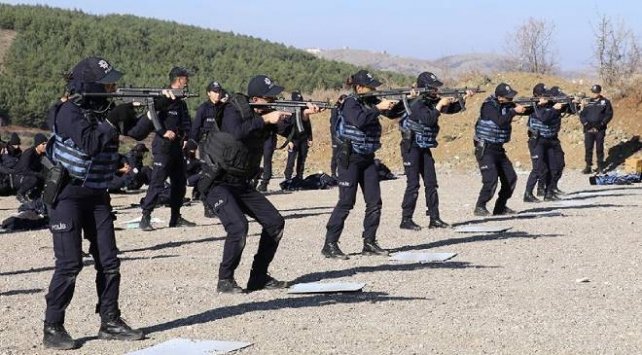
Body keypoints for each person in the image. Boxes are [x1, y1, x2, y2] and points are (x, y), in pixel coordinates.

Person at [43, 56, 153, 350]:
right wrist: (112, 118)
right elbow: (90, 144)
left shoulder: (103, 109)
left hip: (97, 194)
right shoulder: (67, 111)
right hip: (68, 194)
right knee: (69, 264)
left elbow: (137, 132)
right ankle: (53, 326)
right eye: (108, 82)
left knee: (109, 261)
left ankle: (110, 321)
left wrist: (158, 109)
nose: (114, 86)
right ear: (91, 85)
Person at [199, 74, 320, 293]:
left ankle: (258, 276)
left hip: (242, 183)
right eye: (269, 97)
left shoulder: (266, 113)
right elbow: (235, 132)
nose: (274, 101)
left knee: (275, 223)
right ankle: (225, 280)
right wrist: (266, 119)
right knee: (238, 227)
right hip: (218, 181)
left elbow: (289, 131)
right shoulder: (233, 108)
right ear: (256, 97)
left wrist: (304, 115)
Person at [322, 69, 398, 259]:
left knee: (374, 202)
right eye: (371, 87)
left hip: (368, 157)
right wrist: (379, 108)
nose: (374, 90)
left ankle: (369, 242)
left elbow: (396, 113)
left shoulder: (370, 102)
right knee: (346, 202)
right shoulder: (350, 102)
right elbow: (359, 121)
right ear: (359, 87)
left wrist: (410, 100)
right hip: (350, 158)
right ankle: (330, 244)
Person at [399, 72, 471, 230]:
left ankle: (434, 218)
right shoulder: (416, 103)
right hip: (411, 146)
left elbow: (450, 110)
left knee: (431, 183)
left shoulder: (430, 101)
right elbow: (428, 119)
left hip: (423, 146)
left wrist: (463, 98)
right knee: (413, 184)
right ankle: (406, 219)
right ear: (425, 88)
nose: (437, 91)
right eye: (433, 88)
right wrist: (440, 104)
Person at [139, 66, 195, 230]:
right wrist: (163, 132)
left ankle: (175, 217)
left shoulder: (181, 102)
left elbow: (186, 122)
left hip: (177, 146)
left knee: (179, 182)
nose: (188, 81)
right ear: (179, 80)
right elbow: (152, 115)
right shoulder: (163, 98)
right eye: (186, 78)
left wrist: (186, 138)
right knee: (157, 181)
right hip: (163, 146)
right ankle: (146, 216)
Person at [473, 83, 528, 216]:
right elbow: (499, 121)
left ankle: (500, 207)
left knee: (510, 178)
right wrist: (514, 111)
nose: (511, 100)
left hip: (498, 149)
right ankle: (480, 206)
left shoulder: (507, 105)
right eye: (508, 97)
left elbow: (525, 110)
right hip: (485, 148)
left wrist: (541, 105)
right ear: (499, 97)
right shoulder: (488, 106)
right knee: (491, 179)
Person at [523, 83, 565, 202]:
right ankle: (528, 194)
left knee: (554, 167)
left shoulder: (549, 105)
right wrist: (553, 108)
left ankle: (549, 193)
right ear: (537, 95)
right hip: (537, 140)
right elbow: (544, 118)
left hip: (549, 139)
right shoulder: (533, 106)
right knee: (538, 168)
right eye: (543, 95)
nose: (546, 97)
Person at [580, 84, 613, 174]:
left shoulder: (605, 102)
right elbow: (582, 114)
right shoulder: (588, 102)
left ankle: (600, 166)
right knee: (588, 148)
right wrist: (586, 124)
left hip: (599, 129)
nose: (594, 94)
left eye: (595, 92)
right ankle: (588, 166)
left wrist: (602, 124)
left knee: (599, 148)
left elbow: (609, 114)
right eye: (592, 92)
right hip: (588, 129)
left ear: (599, 92)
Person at [283, 91, 313, 181]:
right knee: (291, 159)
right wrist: (289, 140)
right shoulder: (289, 111)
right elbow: (286, 127)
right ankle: (288, 177)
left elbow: (308, 125)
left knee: (302, 158)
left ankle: (299, 176)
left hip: (303, 138)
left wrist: (310, 138)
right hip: (293, 138)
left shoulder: (303, 111)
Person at [13, 133, 48, 202]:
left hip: (30, 175)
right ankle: (20, 193)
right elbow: (24, 170)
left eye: (46, 143)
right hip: (19, 176)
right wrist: (38, 174)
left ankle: (33, 195)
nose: (45, 146)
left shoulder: (43, 155)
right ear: (37, 144)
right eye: (43, 144)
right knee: (34, 179)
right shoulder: (29, 153)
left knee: (44, 179)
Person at [329, 94, 347, 177]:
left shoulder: (345, 108)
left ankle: (343, 171)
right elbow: (333, 123)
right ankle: (333, 173)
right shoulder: (335, 108)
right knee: (336, 154)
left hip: (344, 134)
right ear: (340, 100)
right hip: (336, 135)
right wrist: (335, 136)